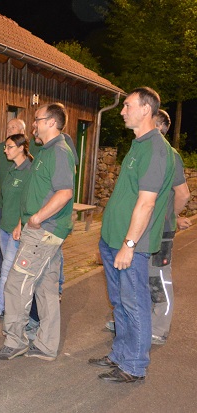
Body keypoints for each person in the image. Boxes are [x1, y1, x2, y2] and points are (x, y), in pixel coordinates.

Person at [89, 87, 174, 383]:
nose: (122, 111)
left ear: (145, 109)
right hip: (112, 240)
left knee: (135, 303)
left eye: (127, 106)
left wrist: (129, 244)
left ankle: (135, 365)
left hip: (131, 246)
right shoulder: (138, 145)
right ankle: (120, 354)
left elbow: (147, 203)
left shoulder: (156, 150)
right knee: (120, 302)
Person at [0, 103, 75, 362]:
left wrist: (37, 218)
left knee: (16, 284)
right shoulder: (46, 150)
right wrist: (23, 220)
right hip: (41, 229)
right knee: (46, 289)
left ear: (51, 122)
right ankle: (46, 346)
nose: (34, 125)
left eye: (37, 120)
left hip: (43, 231)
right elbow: (38, 191)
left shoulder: (59, 151)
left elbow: (65, 192)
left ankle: (15, 341)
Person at [149, 109, 191, 344]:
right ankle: (141, 322)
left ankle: (159, 328)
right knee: (142, 277)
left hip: (161, 231)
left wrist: (170, 218)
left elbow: (183, 194)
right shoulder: (147, 152)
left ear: (159, 126)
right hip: (145, 229)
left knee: (158, 279)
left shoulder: (170, 155)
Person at [0, 133, 33, 327]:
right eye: (5, 147)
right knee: (12, 270)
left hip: (16, 230)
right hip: (4, 227)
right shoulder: (11, 169)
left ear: (21, 148)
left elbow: (30, 201)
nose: (5, 150)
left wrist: (20, 224)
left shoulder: (29, 171)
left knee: (6, 270)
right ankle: (14, 306)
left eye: (9, 147)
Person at [0, 119, 25, 289]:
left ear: (22, 132)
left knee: (16, 247)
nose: (9, 129)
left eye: (13, 127)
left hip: (19, 209)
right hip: (3, 204)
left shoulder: (28, 155)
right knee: (1, 243)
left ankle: (13, 283)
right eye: (8, 127)